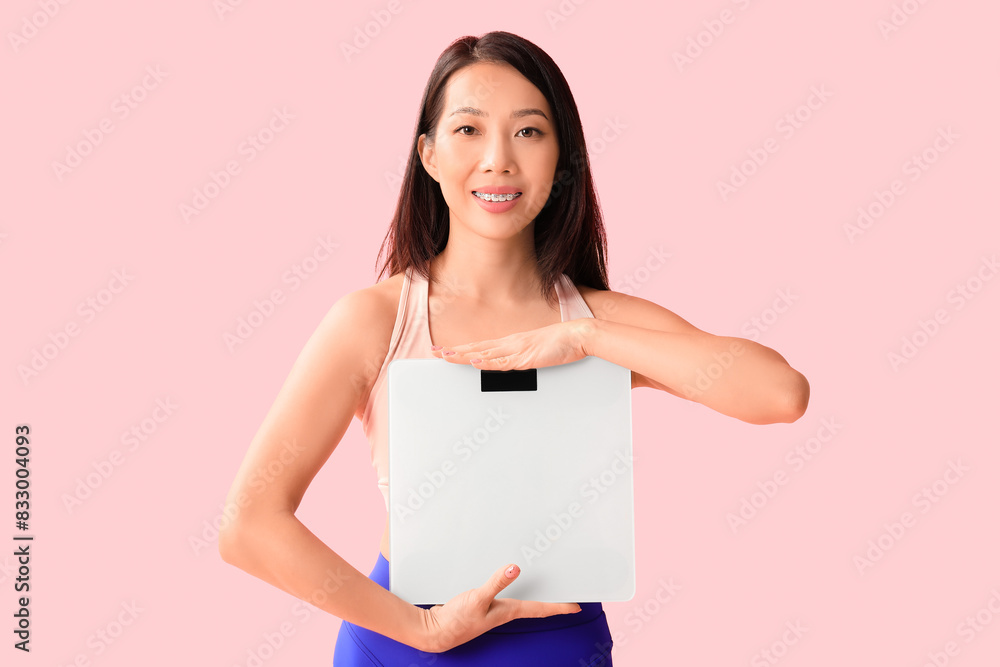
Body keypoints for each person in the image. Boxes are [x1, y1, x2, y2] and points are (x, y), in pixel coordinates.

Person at [219, 30, 810, 666]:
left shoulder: (598, 321)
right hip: (400, 641)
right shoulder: (374, 321)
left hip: (558, 646)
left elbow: (780, 394)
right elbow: (248, 525)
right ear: (428, 153)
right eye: (468, 130)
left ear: (562, 158)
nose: (498, 159)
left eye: (529, 132)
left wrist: (587, 337)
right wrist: (423, 631)